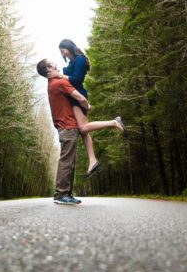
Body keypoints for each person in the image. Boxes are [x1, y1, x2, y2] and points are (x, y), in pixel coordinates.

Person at [47, 39, 124, 176]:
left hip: (78, 97)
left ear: (69, 47)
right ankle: (92, 160)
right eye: (60, 50)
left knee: (83, 128)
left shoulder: (80, 59)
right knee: (84, 131)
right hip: (73, 98)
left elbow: (76, 80)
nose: (61, 52)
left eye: (62, 48)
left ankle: (114, 122)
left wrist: (59, 75)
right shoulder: (71, 62)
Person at [37, 58, 87, 205]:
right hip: (68, 126)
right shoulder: (59, 83)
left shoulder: (51, 84)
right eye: (53, 64)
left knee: (68, 161)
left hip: (63, 126)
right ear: (49, 70)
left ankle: (66, 194)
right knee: (67, 161)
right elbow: (80, 97)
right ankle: (61, 194)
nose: (57, 65)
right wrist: (87, 105)